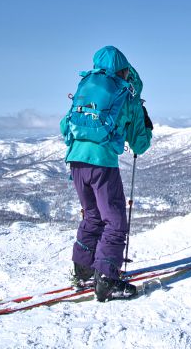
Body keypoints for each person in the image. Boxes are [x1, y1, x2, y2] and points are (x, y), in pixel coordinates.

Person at [60, 46, 153, 301]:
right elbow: (140, 145)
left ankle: (83, 271)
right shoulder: (124, 94)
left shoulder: (86, 86)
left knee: (92, 217)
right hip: (103, 165)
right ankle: (107, 280)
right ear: (125, 70)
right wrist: (143, 121)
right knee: (115, 222)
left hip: (76, 161)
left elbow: (63, 125)